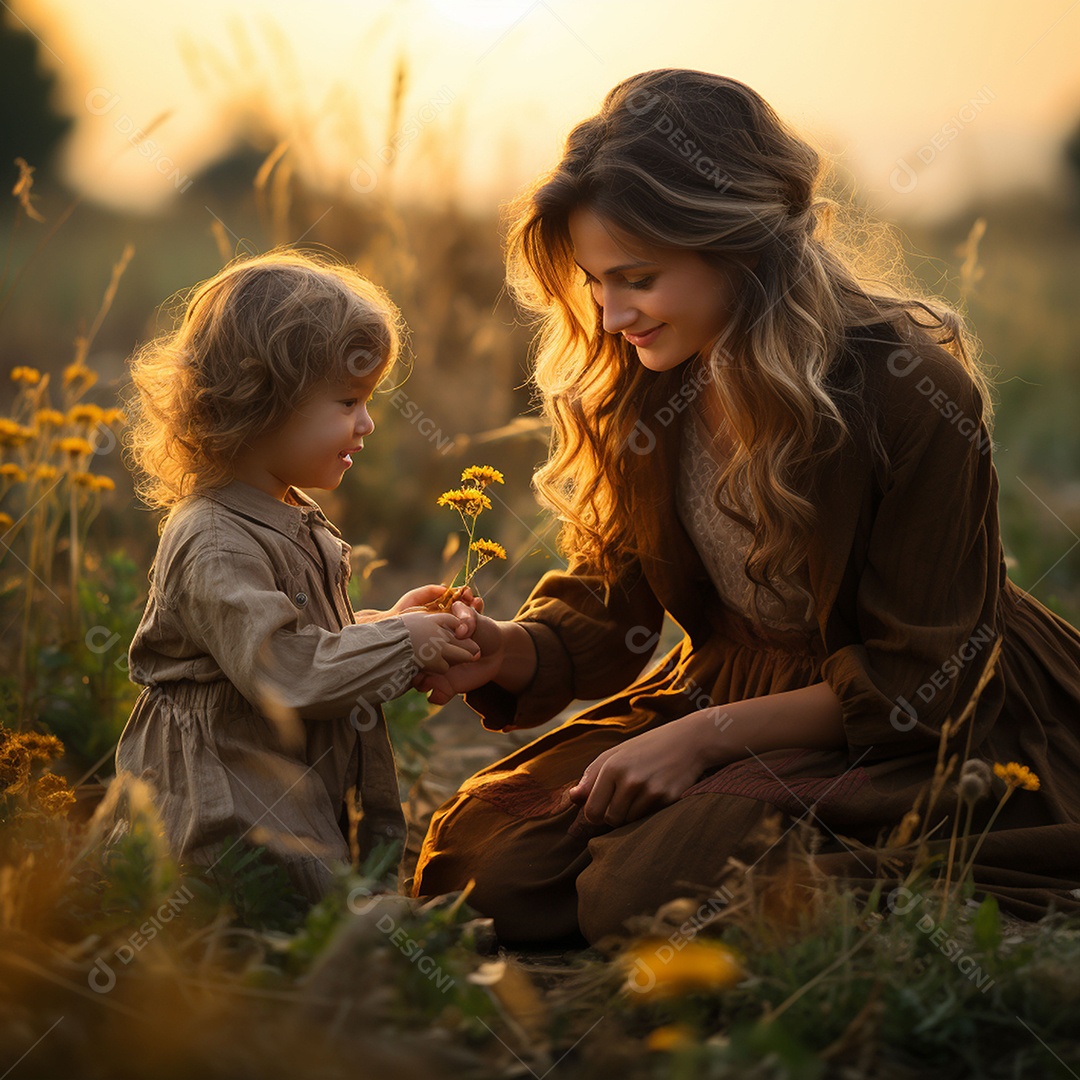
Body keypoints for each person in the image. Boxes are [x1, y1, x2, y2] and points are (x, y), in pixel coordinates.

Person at [408, 69, 1080, 946]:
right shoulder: (647, 384)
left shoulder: (910, 395)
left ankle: (902, 890)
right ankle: (704, 846)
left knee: (643, 897)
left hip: (916, 722)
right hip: (726, 690)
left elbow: (922, 682)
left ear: (736, 245)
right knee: (479, 864)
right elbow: (616, 604)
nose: (610, 316)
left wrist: (705, 741)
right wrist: (506, 651)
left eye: (636, 279)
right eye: (595, 283)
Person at [115, 248, 481, 902]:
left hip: (284, 791)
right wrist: (402, 645)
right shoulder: (210, 536)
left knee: (331, 910)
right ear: (263, 399)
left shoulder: (291, 514)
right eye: (347, 401)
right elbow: (283, 670)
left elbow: (306, 640)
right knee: (274, 922)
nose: (366, 423)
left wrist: (390, 625)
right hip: (225, 808)